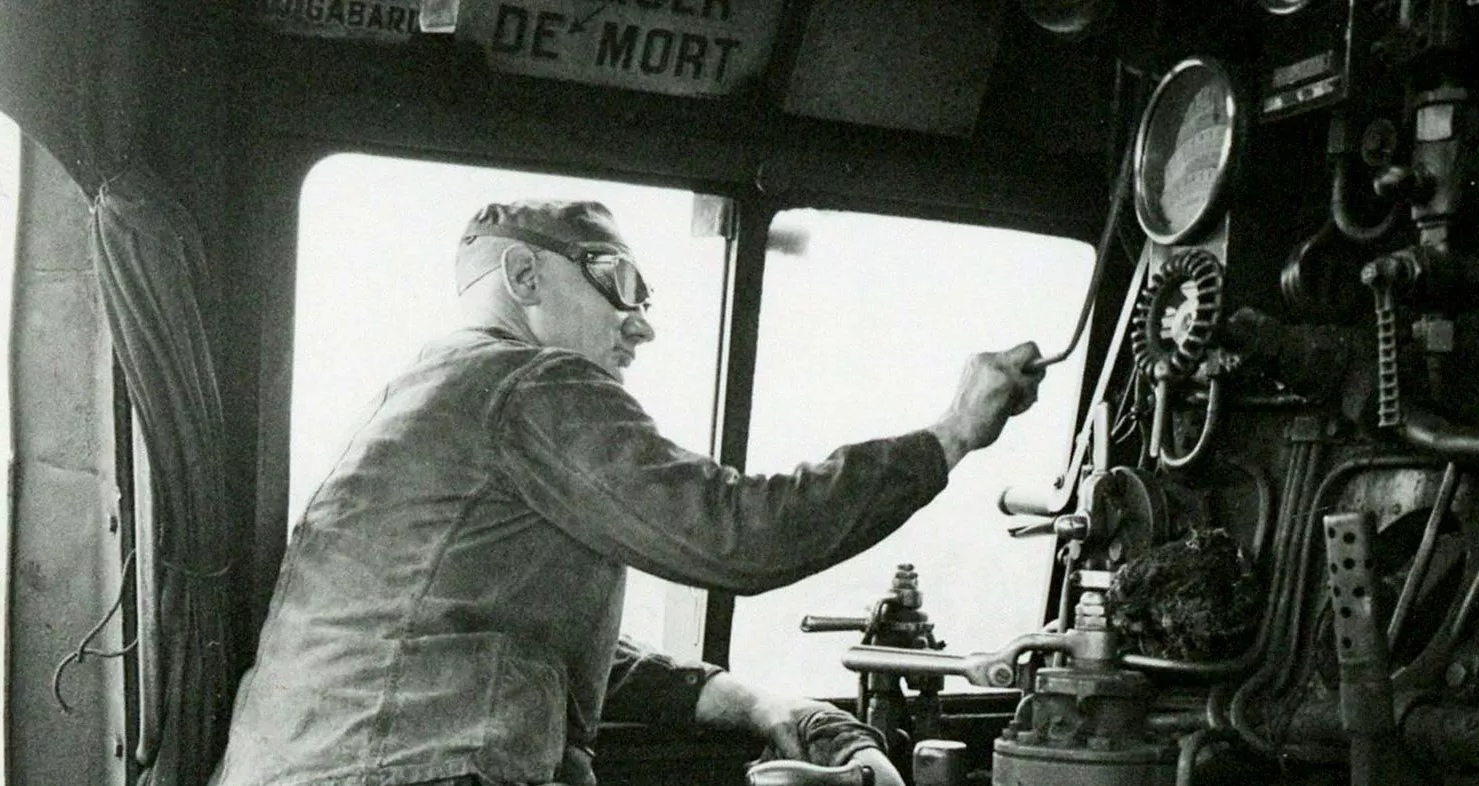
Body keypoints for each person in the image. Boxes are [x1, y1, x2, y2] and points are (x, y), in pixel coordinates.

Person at [209, 200, 1046, 786]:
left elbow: (510, 639)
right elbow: (735, 535)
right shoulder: (530, 383)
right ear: (524, 278)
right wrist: (950, 435)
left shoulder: (432, 399)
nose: (640, 321)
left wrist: (749, 699)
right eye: (616, 281)